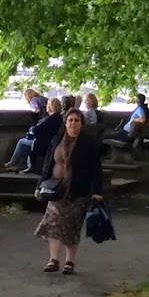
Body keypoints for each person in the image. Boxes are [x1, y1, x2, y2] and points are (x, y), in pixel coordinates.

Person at [36, 106, 104, 275]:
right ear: (65, 123)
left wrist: (97, 191)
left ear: (82, 124)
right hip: (56, 190)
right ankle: (53, 260)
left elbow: (96, 168)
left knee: (72, 227)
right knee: (52, 225)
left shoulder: (88, 143)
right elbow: (47, 164)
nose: (73, 123)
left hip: (78, 191)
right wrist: (39, 186)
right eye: (70, 120)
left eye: (76, 120)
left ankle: (70, 262)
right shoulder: (57, 140)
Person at [5, 97, 63, 172]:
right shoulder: (57, 118)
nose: (46, 106)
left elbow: (38, 130)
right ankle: (19, 165)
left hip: (43, 143)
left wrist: (32, 130)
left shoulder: (51, 119)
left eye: (48, 105)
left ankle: (14, 163)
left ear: (51, 106)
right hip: (47, 141)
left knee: (22, 142)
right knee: (26, 142)